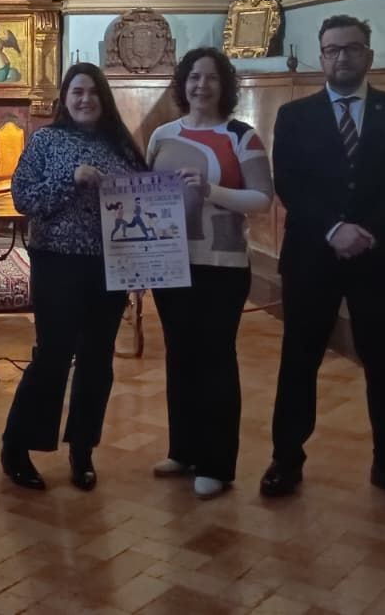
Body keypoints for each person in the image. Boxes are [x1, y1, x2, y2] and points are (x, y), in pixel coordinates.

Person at [262, 15, 385, 507]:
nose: (342, 57)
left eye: (352, 49)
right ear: (321, 57)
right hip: (312, 257)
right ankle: (286, 461)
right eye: (333, 50)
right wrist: (334, 229)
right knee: (299, 361)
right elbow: (290, 183)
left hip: (379, 258)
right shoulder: (295, 117)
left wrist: (369, 231)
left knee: (384, 363)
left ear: (369, 56)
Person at [0, 63, 144, 492]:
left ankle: (83, 450)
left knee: (99, 361)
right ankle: (18, 446)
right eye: (77, 92)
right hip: (57, 262)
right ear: (65, 98)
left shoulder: (122, 146)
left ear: (104, 99)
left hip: (110, 265)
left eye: (93, 93)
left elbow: (146, 203)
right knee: (53, 355)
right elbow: (24, 197)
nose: (85, 100)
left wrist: (145, 263)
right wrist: (71, 178)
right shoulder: (46, 140)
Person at [146, 47, 273, 499]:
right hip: (170, 263)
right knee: (180, 356)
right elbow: (147, 198)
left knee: (216, 358)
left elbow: (263, 198)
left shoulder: (243, 136)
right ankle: (183, 449)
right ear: (182, 84)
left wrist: (214, 190)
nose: (202, 86)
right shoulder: (162, 134)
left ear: (225, 85)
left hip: (221, 263)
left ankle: (216, 463)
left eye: (212, 79)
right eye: (194, 78)